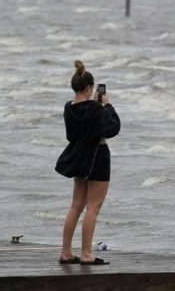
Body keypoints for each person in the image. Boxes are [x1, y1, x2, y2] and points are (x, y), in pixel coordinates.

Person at [55, 60, 120, 265]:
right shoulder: (95, 108)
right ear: (89, 88)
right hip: (97, 156)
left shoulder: (68, 108)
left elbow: (70, 135)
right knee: (93, 207)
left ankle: (66, 252)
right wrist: (107, 104)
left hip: (78, 157)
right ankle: (86, 254)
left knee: (76, 205)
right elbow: (113, 128)